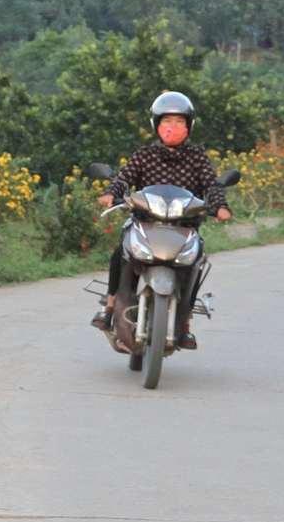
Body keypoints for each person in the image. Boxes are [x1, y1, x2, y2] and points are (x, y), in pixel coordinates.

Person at [91, 91, 232, 349]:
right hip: (145, 223)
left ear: (189, 126)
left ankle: (185, 322)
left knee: (197, 261)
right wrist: (112, 193)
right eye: (168, 121)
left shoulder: (197, 157)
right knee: (118, 253)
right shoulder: (144, 155)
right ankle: (110, 306)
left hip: (183, 227)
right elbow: (124, 177)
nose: (173, 127)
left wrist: (220, 206)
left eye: (180, 122)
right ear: (157, 124)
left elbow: (212, 185)